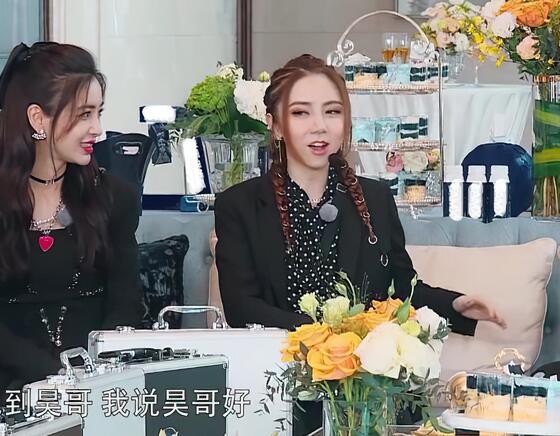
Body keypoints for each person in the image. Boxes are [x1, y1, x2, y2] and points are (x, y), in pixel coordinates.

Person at [214, 54, 505, 434]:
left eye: (332, 112)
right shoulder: (239, 204)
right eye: (301, 113)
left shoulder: (376, 199)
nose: (320, 126)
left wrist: (455, 305)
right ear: (275, 124)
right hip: (280, 389)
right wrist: (330, 338)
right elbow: (241, 307)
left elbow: (398, 289)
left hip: (366, 392)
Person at [0, 42, 144, 435]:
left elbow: (126, 306)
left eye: (98, 113)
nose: (97, 129)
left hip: (96, 382)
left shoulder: (115, 199)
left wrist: (86, 378)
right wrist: (51, 376)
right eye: (84, 114)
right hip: (4, 384)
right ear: (37, 118)